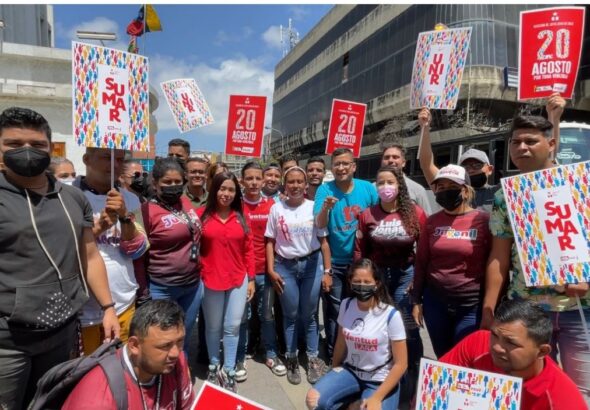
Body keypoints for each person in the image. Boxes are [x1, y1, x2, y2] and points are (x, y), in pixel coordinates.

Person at [0, 107, 119, 410]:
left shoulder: (72, 197)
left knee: (52, 403)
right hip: (8, 343)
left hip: (62, 331)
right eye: (14, 144)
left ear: (49, 148)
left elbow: (90, 256)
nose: (27, 151)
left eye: (37, 145)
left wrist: (108, 307)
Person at [483, 95, 589, 405]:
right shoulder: (507, 196)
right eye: (515, 142)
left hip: (579, 311)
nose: (521, 148)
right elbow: (498, 258)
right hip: (526, 310)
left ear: (551, 144)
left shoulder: (580, 185)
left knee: (578, 394)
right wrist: (489, 312)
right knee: (525, 389)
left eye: (530, 141)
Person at [354, 165, 426, 400]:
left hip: (406, 275)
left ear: (399, 186)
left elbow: (425, 251)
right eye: (381, 182)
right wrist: (361, 280)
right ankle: (381, 381)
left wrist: (418, 281)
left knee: (408, 331)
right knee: (380, 330)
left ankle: (411, 388)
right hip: (379, 278)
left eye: (390, 182)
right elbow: (360, 252)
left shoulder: (414, 213)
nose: (386, 187)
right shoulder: (367, 214)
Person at [440, 299, 586, 410]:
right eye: (495, 335)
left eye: (511, 343)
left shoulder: (563, 400)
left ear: (542, 351)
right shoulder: (478, 342)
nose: (496, 347)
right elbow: (433, 387)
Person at [75, 147, 149, 356]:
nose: (115, 164)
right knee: (86, 375)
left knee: (120, 368)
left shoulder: (131, 199)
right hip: (84, 310)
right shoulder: (69, 195)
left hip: (124, 302)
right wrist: (97, 229)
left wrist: (125, 216)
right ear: (86, 159)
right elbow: (61, 250)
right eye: (107, 158)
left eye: (119, 159)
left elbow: (139, 249)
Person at [411, 164, 491, 358]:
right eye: (441, 187)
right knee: (444, 357)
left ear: (465, 189)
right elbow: (422, 261)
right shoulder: (432, 221)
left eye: (451, 186)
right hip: (435, 304)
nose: (445, 191)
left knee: (466, 359)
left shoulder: (483, 220)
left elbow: (494, 265)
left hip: (471, 306)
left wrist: (492, 306)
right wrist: (416, 300)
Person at [306, 259, 408, 410]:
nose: (362, 286)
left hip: (379, 379)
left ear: (377, 283)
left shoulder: (391, 315)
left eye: (367, 282)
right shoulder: (346, 305)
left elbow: (401, 364)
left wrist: (377, 398)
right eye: (357, 281)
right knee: (314, 400)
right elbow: (340, 344)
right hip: (351, 372)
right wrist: (333, 373)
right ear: (350, 282)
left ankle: (356, 404)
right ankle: (352, 405)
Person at [62, 299, 196, 409]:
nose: (175, 353)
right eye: (165, 346)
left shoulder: (175, 362)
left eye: (179, 341)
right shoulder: (98, 401)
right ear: (134, 346)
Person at [265, 166, 332, 385]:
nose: (295, 186)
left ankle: (312, 358)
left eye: (299, 182)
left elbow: (323, 241)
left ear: (305, 185)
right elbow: (270, 240)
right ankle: (292, 357)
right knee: (290, 315)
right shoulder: (277, 209)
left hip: (312, 265)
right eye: (291, 182)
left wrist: (328, 271)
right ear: (285, 184)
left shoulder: (315, 207)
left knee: (310, 314)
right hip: (285, 267)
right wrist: (271, 270)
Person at [314, 148, 378, 359]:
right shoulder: (325, 190)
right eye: (337, 164)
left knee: (363, 310)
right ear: (332, 167)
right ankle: (335, 357)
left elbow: (379, 219)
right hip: (335, 263)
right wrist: (325, 208)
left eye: (345, 163)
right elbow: (319, 225)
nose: (341, 168)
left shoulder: (368, 188)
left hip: (362, 263)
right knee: (336, 312)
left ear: (353, 166)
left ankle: (359, 355)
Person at [198, 172, 255, 393]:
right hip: (210, 279)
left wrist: (251, 279)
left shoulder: (242, 216)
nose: (226, 194)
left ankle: (229, 369)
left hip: (237, 280)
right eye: (222, 189)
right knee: (213, 327)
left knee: (232, 327)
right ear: (214, 190)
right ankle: (214, 367)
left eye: (231, 190)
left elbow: (249, 250)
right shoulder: (202, 215)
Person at [139, 158, 203, 352]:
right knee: (164, 341)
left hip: (192, 285)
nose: (173, 186)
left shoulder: (185, 203)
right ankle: (164, 380)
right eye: (167, 182)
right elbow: (139, 253)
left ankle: (180, 373)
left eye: (177, 182)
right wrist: (143, 290)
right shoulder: (146, 211)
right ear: (155, 183)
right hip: (162, 288)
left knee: (184, 333)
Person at [236, 161, 285, 381]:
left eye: (258, 178)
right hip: (242, 273)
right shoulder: (235, 205)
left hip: (266, 271)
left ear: (264, 180)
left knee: (266, 315)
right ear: (242, 180)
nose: (254, 182)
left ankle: (271, 353)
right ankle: (239, 356)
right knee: (243, 316)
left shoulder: (273, 205)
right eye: (250, 178)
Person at [417, 107, 498, 212]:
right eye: (466, 166)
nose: (471, 170)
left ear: (490, 169)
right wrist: (425, 128)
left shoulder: (500, 193)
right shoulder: (452, 191)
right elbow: (427, 165)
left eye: (477, 165)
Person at [380, 143, 432, 215]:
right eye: (386, 157)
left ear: (403, 163)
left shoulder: (418, 189)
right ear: (381, 162)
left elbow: (427, 220)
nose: (390, 160)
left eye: (395, 157)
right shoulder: (371, 188)